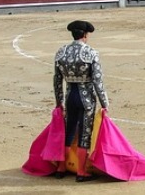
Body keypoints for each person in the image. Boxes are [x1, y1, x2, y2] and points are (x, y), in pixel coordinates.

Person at [53, 20, 110, 182]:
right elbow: (98, 82)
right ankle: (81, 172)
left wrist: (59, 102)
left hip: (70, 96)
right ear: (85, 35)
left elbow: (57, 80)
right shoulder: (91, 53)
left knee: (68, 131)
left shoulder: (61, 52)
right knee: (85, 133)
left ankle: (61, 167)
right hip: (86, 99)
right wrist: (104, 103)